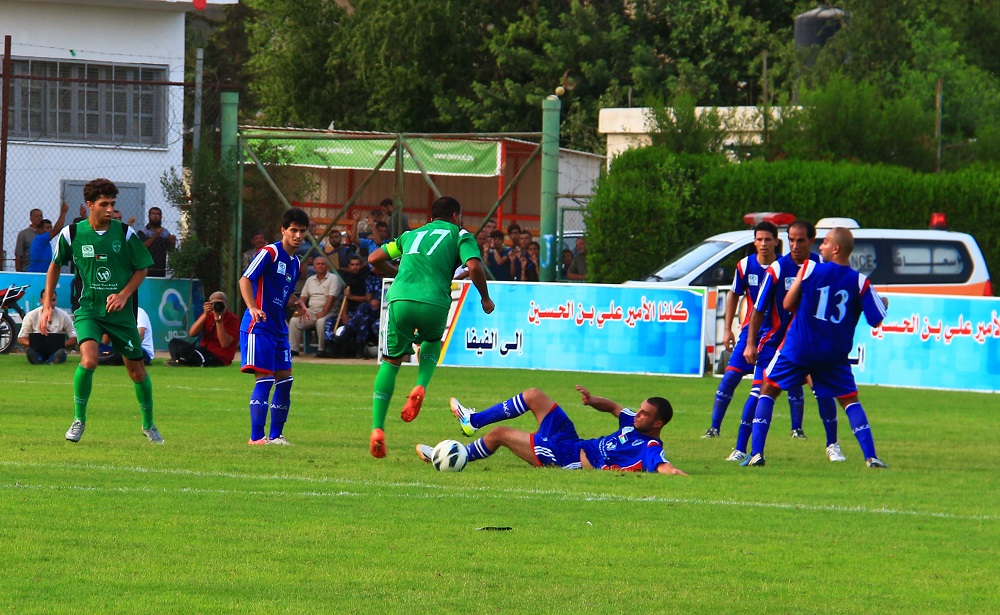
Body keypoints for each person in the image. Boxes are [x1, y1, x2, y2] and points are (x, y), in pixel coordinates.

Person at [743, 227, 890, 468]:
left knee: (768, 389)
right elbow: (876, 319)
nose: (819, 248)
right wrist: (884, 303)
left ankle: (757, 453)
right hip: (833, 354)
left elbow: (788, 304)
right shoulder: (860, 281)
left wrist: (803, 288)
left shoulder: (810, 269)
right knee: (849, 400)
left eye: (824, 244)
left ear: (835, 248)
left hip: (799, 347)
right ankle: (871, 457)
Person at [367, 196, 495, 458]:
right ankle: (421, 384)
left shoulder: (410, 235)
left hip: (400, 299)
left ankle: (377, 428)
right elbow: (473, 266)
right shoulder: (460, 234)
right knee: (432, 340)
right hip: (434, 301)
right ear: (456, 216)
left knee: (391, 361)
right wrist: (485, 297)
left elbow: (374, 257)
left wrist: (396, 272)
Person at [40, 178, 163, 444]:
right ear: (89, 205)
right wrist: (48, 303)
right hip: (89, 311)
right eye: (104, 204)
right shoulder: (72, 234)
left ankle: (148, 424)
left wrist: (123, 294)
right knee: (89, 360)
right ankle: (79, 419)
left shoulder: (125, 233)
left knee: (136, 372)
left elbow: (141, 268)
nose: (109, 209)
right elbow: (54, 265)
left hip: (120, 315)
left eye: (112, 204)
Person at [728, 221, 841, 463]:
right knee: (758, 392)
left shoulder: (823, 266)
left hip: (813, 345)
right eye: (791, 239)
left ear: (812, 240)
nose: (795, 245)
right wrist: (750, 344)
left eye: (800, 240)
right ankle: (745, 449)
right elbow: (757, 309)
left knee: (823, 392)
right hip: (775, 343)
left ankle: (833, 445)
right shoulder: (778, 269)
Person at [417, 386, 687, 475]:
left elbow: (664, 467)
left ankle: (452, 457)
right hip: (573, 441)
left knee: (499, 435)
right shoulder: (633, 423)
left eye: (644, 414)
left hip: (568, 457)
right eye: (639, 410)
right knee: (534, 395)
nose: (637, 415)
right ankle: (473, 421)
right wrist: (593, 401)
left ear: (658, 424)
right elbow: (616, 408)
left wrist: (681, 476)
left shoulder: (649, 448)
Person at [702, 222, 783, 439]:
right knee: (729, 378)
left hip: (777, 334)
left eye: (768, 239)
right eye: (759, 239)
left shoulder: (784, 267)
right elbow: (734, 295)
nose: (763, 244)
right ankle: (714, 427)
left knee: (777, 386)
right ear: (754, 242)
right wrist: (727, 329)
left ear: (776, 241)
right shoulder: (745, 266)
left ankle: (797, 430)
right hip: (750, 332)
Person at [239, 207, 311, 446]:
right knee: (265, 378)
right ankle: (256, 438)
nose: (298, 236)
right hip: (259, 325)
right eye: (293, 230)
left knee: (285, 380)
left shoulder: (295, 262)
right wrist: (252, 307)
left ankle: (276, 436)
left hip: (279, 327)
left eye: (302, 231)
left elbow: (284, 294)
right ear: (283, 230)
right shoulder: (270, 252)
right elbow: (245, 279)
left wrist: (297, 301)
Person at [166, 291, 239, 367]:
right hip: (202, 350)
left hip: (218, 356)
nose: (218, 306)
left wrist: (219, 322)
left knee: (183, 350)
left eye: (221, 303)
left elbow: (225, 344)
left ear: (226, 305)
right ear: (210, 304)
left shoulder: (232, 319)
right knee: (174, 343)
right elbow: (192, 333)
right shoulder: (209, 315)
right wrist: (205, 315)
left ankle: (183, 362)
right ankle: (177, 361)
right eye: (214, 303)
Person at [288, 257, 342, 356]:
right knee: (294, 321)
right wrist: (300, 310)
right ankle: (293, 349)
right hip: (312, 310)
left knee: (321, 322)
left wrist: (324, 312)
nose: (320, 266)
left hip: (330, 311)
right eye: (318, 264)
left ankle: (322, 349)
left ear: (327, 266)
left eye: (323, 264)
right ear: (314, 267)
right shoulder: (310, 280)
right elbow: (303, 298)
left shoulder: (333, 278)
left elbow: (332, 298)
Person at [17, 290, 77, 364]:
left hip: (56, 350)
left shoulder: (64, 316)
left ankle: (53, 359)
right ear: (41, 300)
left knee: (60, 353)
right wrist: (35, 345)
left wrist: (60, 345)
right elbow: (21, 338)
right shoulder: (31, 316)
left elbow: (74, 338)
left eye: (53, 300)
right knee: (31, 352)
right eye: (47, 300)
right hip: (37, 350)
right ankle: (38, 359)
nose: (50, 303)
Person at [26, 205, 70, 272]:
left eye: (50, 227)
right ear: (40, 229)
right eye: (47, 228)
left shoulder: (45, 241)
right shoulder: (40, 239)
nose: (50, 230)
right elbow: (56, 229)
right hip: (36, 274)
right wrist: (63, 212)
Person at [138, 206, 176, 277]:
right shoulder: (143, 231)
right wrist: (156, 235)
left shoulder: (165, 232)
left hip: (160, 268)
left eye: (158, 214)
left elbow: (170, 251)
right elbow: (142, 247)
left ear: (161, 217)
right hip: (145, 268)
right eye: (153, 214)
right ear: (149, 216)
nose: (155, 216)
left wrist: (172, 242)